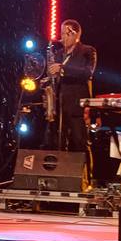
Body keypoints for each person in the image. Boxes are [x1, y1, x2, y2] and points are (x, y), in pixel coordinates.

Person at [45, 19, 96, 152]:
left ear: (76, 34)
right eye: (61, 34)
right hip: (58, 108)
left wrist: (63, 68)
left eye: (65, 34)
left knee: (79, 144)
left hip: (76, 107)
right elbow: (55, 75)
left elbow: (87, 73)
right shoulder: (58, 54)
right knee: (55, 145)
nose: (62, 37)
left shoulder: (88, 51)